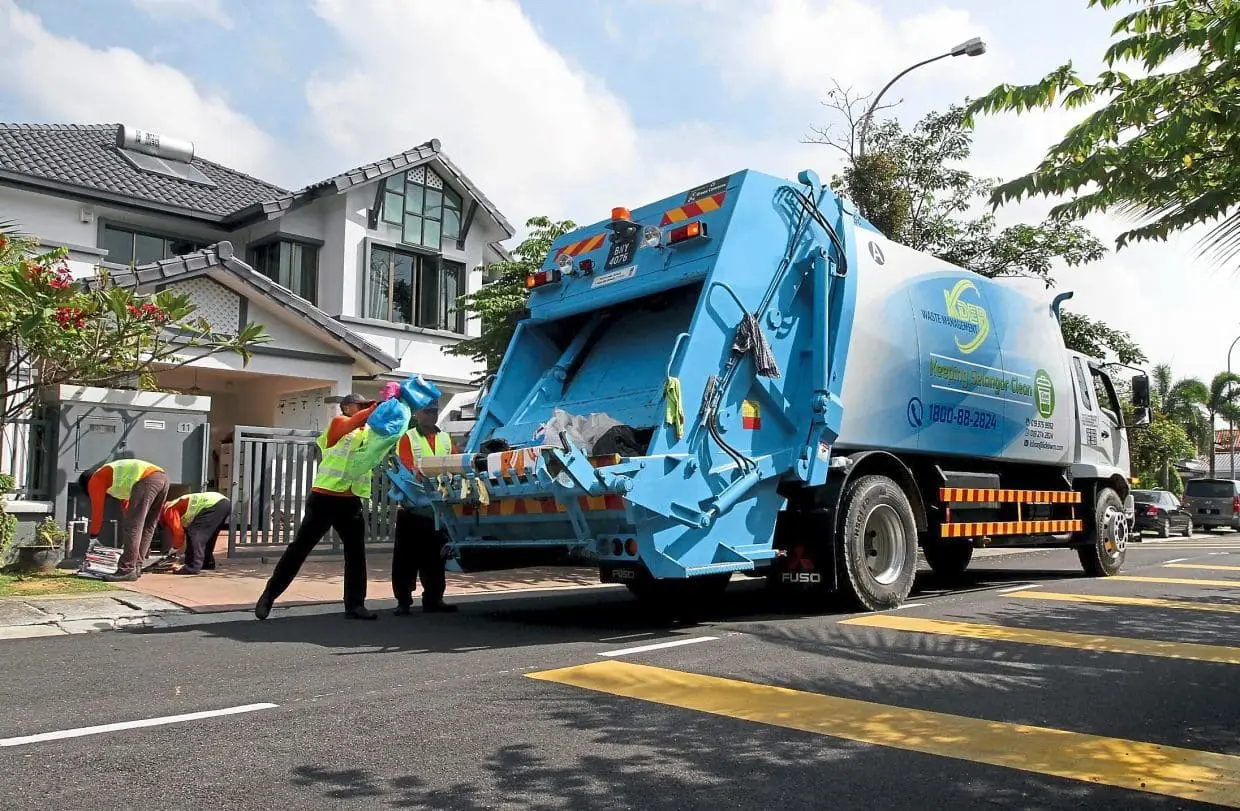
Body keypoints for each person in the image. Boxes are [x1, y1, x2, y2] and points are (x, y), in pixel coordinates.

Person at [255, 392, 383, 621]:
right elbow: (354, 423)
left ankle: (355, 605)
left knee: (356, 554)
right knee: (299, 549)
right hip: (325, 497)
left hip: (351, 499)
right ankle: (269, 595)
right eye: (359, 405)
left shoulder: (369, 433)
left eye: (366, 405)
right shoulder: (339, 423)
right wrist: (375, 407)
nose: (364, 408)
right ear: (345, 407)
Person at [392, 402, 458, 615]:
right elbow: (407, 466)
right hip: (412, 508)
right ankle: (403, 601)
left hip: (437, 507)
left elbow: (456, 463)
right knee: (406, 559)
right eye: (428, 411)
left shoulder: (445, 438)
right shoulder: (408, 437)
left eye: (435, 412)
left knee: (434, 558)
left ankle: (434, 599)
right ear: (417, 414)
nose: (432, 415)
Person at [78, 459, 170, 582]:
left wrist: (93, 536)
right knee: (148, 525)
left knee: (133, 527)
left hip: (147, 480)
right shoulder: (116, 477)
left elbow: (97, 511)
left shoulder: (95, 479)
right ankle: (136, 566)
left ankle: (126, 569)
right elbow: (127, 506)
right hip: (162, 479)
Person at [160, 491, 231, 575]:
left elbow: (178, 533)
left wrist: (174, 549)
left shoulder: (168, 510)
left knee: (195, 533)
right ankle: (207, 562)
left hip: (212, 504)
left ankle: (192, 567)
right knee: (207, 536)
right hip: (223, 503)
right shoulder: (178, 505)